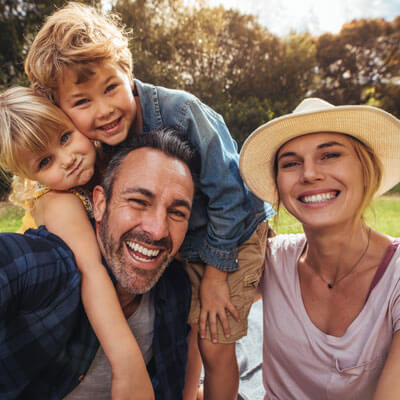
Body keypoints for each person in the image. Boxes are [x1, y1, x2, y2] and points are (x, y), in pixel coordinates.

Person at [24, 3, 274, 399]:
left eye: (110, 88)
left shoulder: (182, 111)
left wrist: (214, 275)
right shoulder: (91, 146)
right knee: (185, 326)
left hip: (233, 236)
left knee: (213, 336)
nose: (104, 110)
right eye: (82, 102)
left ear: (128, 71)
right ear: (63, 109)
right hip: (179, 240)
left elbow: (233, 192)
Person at [0, 128, 195, 399]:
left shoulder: (176, 286)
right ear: (99, 203)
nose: (157, 230)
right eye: (138, 202)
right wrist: (127, 365)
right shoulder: (55, 261)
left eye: (177, 212)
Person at [239, 97, 400, 399]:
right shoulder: (270, 260)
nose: (309, 173)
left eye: (329, 155)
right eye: (291, 163)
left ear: (366, 170)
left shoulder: (395, 276)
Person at [0, 86, 153, 399]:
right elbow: (91, 273)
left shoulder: (101, 166)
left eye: (65, 137)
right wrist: (128, 365)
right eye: (45, 162)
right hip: (57, 318)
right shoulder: (58, 201)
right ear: (30, 177)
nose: (67, 160)